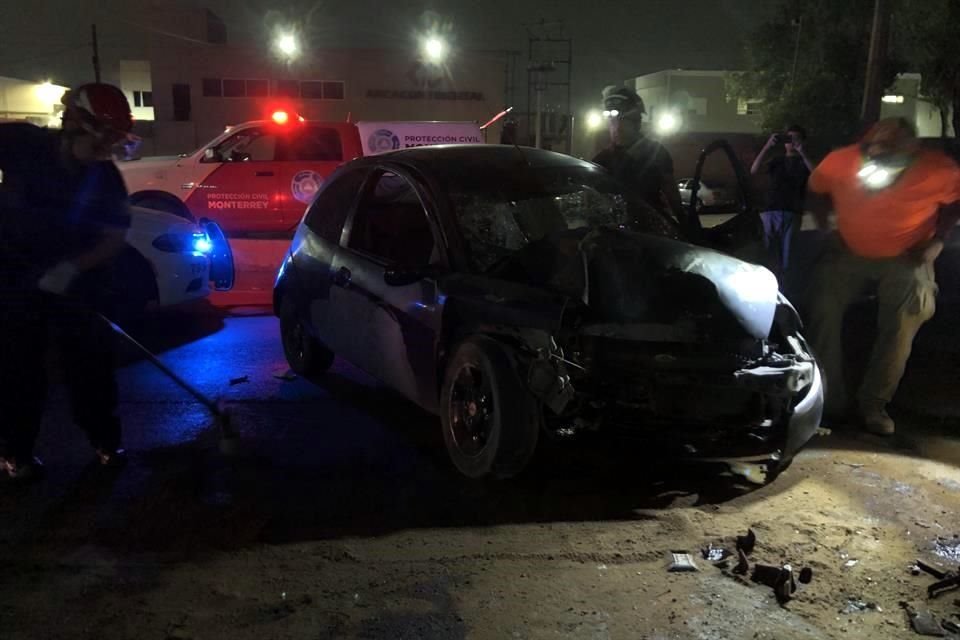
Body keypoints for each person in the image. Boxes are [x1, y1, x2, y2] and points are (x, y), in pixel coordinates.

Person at [0, 83, 134, 481]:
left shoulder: (105, 177)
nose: (106, 150)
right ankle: (16, 455)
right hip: (16, 277)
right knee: (18, 369)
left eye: (113, 141)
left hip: (78, 282)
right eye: (102, 139)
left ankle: (106, 444)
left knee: (90, 365)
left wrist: (73, 269)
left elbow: (113, 237)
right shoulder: (23, 144)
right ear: (74, 122)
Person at [805, 118, 960, 435]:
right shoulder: (841, 161)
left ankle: (874, 405)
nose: (883, 162)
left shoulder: (939, 169)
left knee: (905, 316)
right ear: (866, 146)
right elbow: (815, 189)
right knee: (821, 306)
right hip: (849, 252)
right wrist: (826, 228)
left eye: (894, 154)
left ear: (912, 150)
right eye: (877, 152)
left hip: (908, 254)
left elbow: (955, 203)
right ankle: (828, 402)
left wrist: (937, 241)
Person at [592, 86, 685, 226]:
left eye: (623, 120)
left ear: (637, 122)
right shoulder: (601, 160)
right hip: (617, 234)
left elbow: (672, 196)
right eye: (612, 121)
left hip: (652, 230)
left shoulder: (657, 153)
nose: (616, 127)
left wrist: (687, 226)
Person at [750, 125, 814, 280]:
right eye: (788, 139)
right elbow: (754, 170)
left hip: (792, 212)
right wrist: (767, 146)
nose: (791, 142)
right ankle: (767, 284)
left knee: (788, 257)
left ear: (802, 141)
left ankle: (785, 289)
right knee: (768, 255)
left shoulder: (803, 162)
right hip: (770, 210)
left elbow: (817, 175)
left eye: (795, 138)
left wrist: (802, 152)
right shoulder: (776, 160)